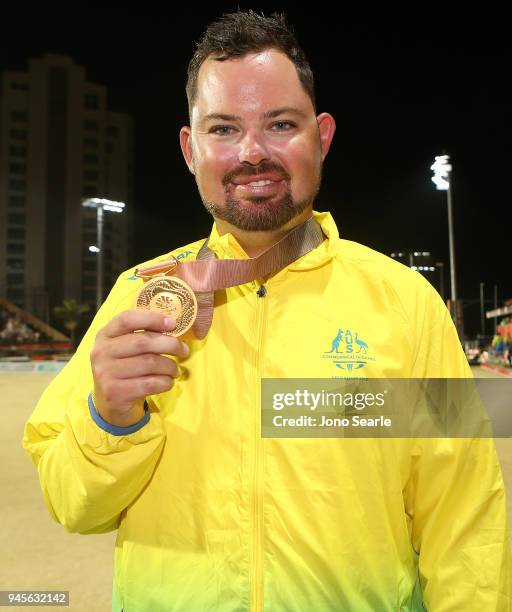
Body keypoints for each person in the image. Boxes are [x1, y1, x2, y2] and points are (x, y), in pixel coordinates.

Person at [23, 11, 511, 612]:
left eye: (280, 124)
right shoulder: (137, 298)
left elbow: (463, 517)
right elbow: (75, 506)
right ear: (189, 147)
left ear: (322, 136)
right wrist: (110, 418)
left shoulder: (406, 304)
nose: (253, 153)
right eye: (223, 129)